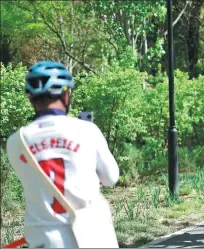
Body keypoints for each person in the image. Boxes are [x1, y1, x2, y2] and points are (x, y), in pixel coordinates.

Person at [6, 61, 120, 248]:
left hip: (43, 241)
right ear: (66, 95)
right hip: (88, 238)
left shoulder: (15, 142)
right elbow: (111, 178)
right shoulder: (86, 130)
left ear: (30, 99)